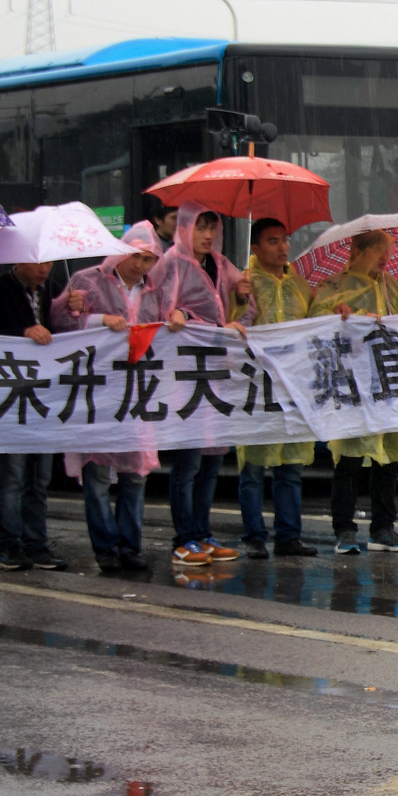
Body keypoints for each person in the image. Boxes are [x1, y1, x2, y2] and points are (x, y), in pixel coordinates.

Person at [54, 223, 167, 574]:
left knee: (135, 474)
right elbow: (60, 323)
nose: (141, 265)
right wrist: (95, 317)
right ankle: (106, 547)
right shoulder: (87, 281)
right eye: (135, 256)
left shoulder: (154, 292)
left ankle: (130, 546)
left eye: (148, 259)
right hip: (98, 392)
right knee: (98, 474)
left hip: (138, 393)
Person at [149, 203, 251, 567]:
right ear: (184, 228)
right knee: (188, 462)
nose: (207, 236)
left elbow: (244, 314)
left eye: (212, 228)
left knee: (210, 464)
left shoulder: (222, 265)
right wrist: (186, 316)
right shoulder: (170, 264)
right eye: (200, 228)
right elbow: (159, 314)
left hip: (216, 374)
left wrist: (242, 296)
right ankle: (184, 538)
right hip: (184, 376)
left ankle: (203, 534)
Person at [309, 229, 398, 554]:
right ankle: (344, 530)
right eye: (377, 250)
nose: (385, 257)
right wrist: (342, 315)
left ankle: (383, 528)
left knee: (389, 460)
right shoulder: (333, 288)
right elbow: (313, 323)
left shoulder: (395, 288)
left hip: (387, 385)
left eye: (388, 250)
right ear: (358, 251)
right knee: (349, 461)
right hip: (351, 386)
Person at [0, 258, 70, 571]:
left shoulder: (56, 290)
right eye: (36, 262)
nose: (44, 269)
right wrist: (22, 333)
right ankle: (7, 545)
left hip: (45, 395)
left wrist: (75, 310)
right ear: (18, 261)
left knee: (39, 478)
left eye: (49, 262)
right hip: (8, 396)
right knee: (11, 475)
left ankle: (37, 544)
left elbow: (69, 334)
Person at [234, 217, 317, 558]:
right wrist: (239, 301)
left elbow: (315, 323)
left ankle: (289, 536)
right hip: (254, 386)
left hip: (293, 386)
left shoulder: (300, 285)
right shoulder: (243, 282)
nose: (283, 247)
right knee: (253, 467)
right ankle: (254, 535)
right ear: (255, 248)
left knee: (290, 468)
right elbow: (230, 326)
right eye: (273, 241)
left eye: (285, 239)